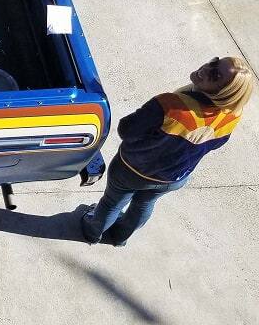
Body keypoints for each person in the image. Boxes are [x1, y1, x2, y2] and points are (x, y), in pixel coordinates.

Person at [81, 56, 254, 246]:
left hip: (131, 170)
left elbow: (127, 130)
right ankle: (120, 237)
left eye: (216, 74)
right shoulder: (232, 116)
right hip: (174, 178)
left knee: (112, 203)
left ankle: (92, 231)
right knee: (144, 204)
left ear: (225, 92)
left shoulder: (170, 105)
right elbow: (216, 144)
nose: (207, 67)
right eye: (214, 62)